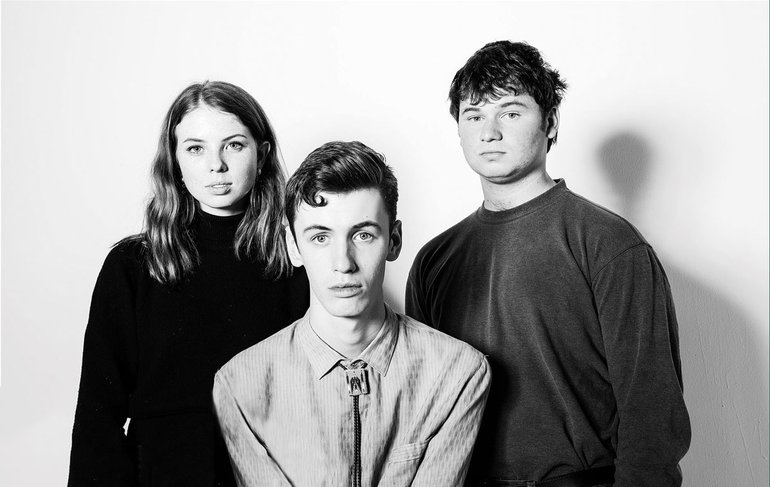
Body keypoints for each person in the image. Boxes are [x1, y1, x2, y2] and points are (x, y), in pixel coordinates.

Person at [406, 41, 691, 487]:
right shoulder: (434, 260)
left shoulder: (609, 244)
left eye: (511, 112)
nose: (489, 132)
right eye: (474, 115)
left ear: (551, 122)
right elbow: (422, 411)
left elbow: (651, 418)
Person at [68, 81, 309, 486]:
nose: (216, 165)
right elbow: (98, 416)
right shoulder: (133, 266)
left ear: (262, 154)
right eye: (196, 148)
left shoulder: (298, 259)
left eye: (234, 145)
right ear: (175, 159)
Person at [213, 141, 491, 487]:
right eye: (320, 238)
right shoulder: (240, 383)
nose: (343, 263)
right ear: (293, 246)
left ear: (394, 241)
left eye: (363, 235)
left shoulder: (458, 371)